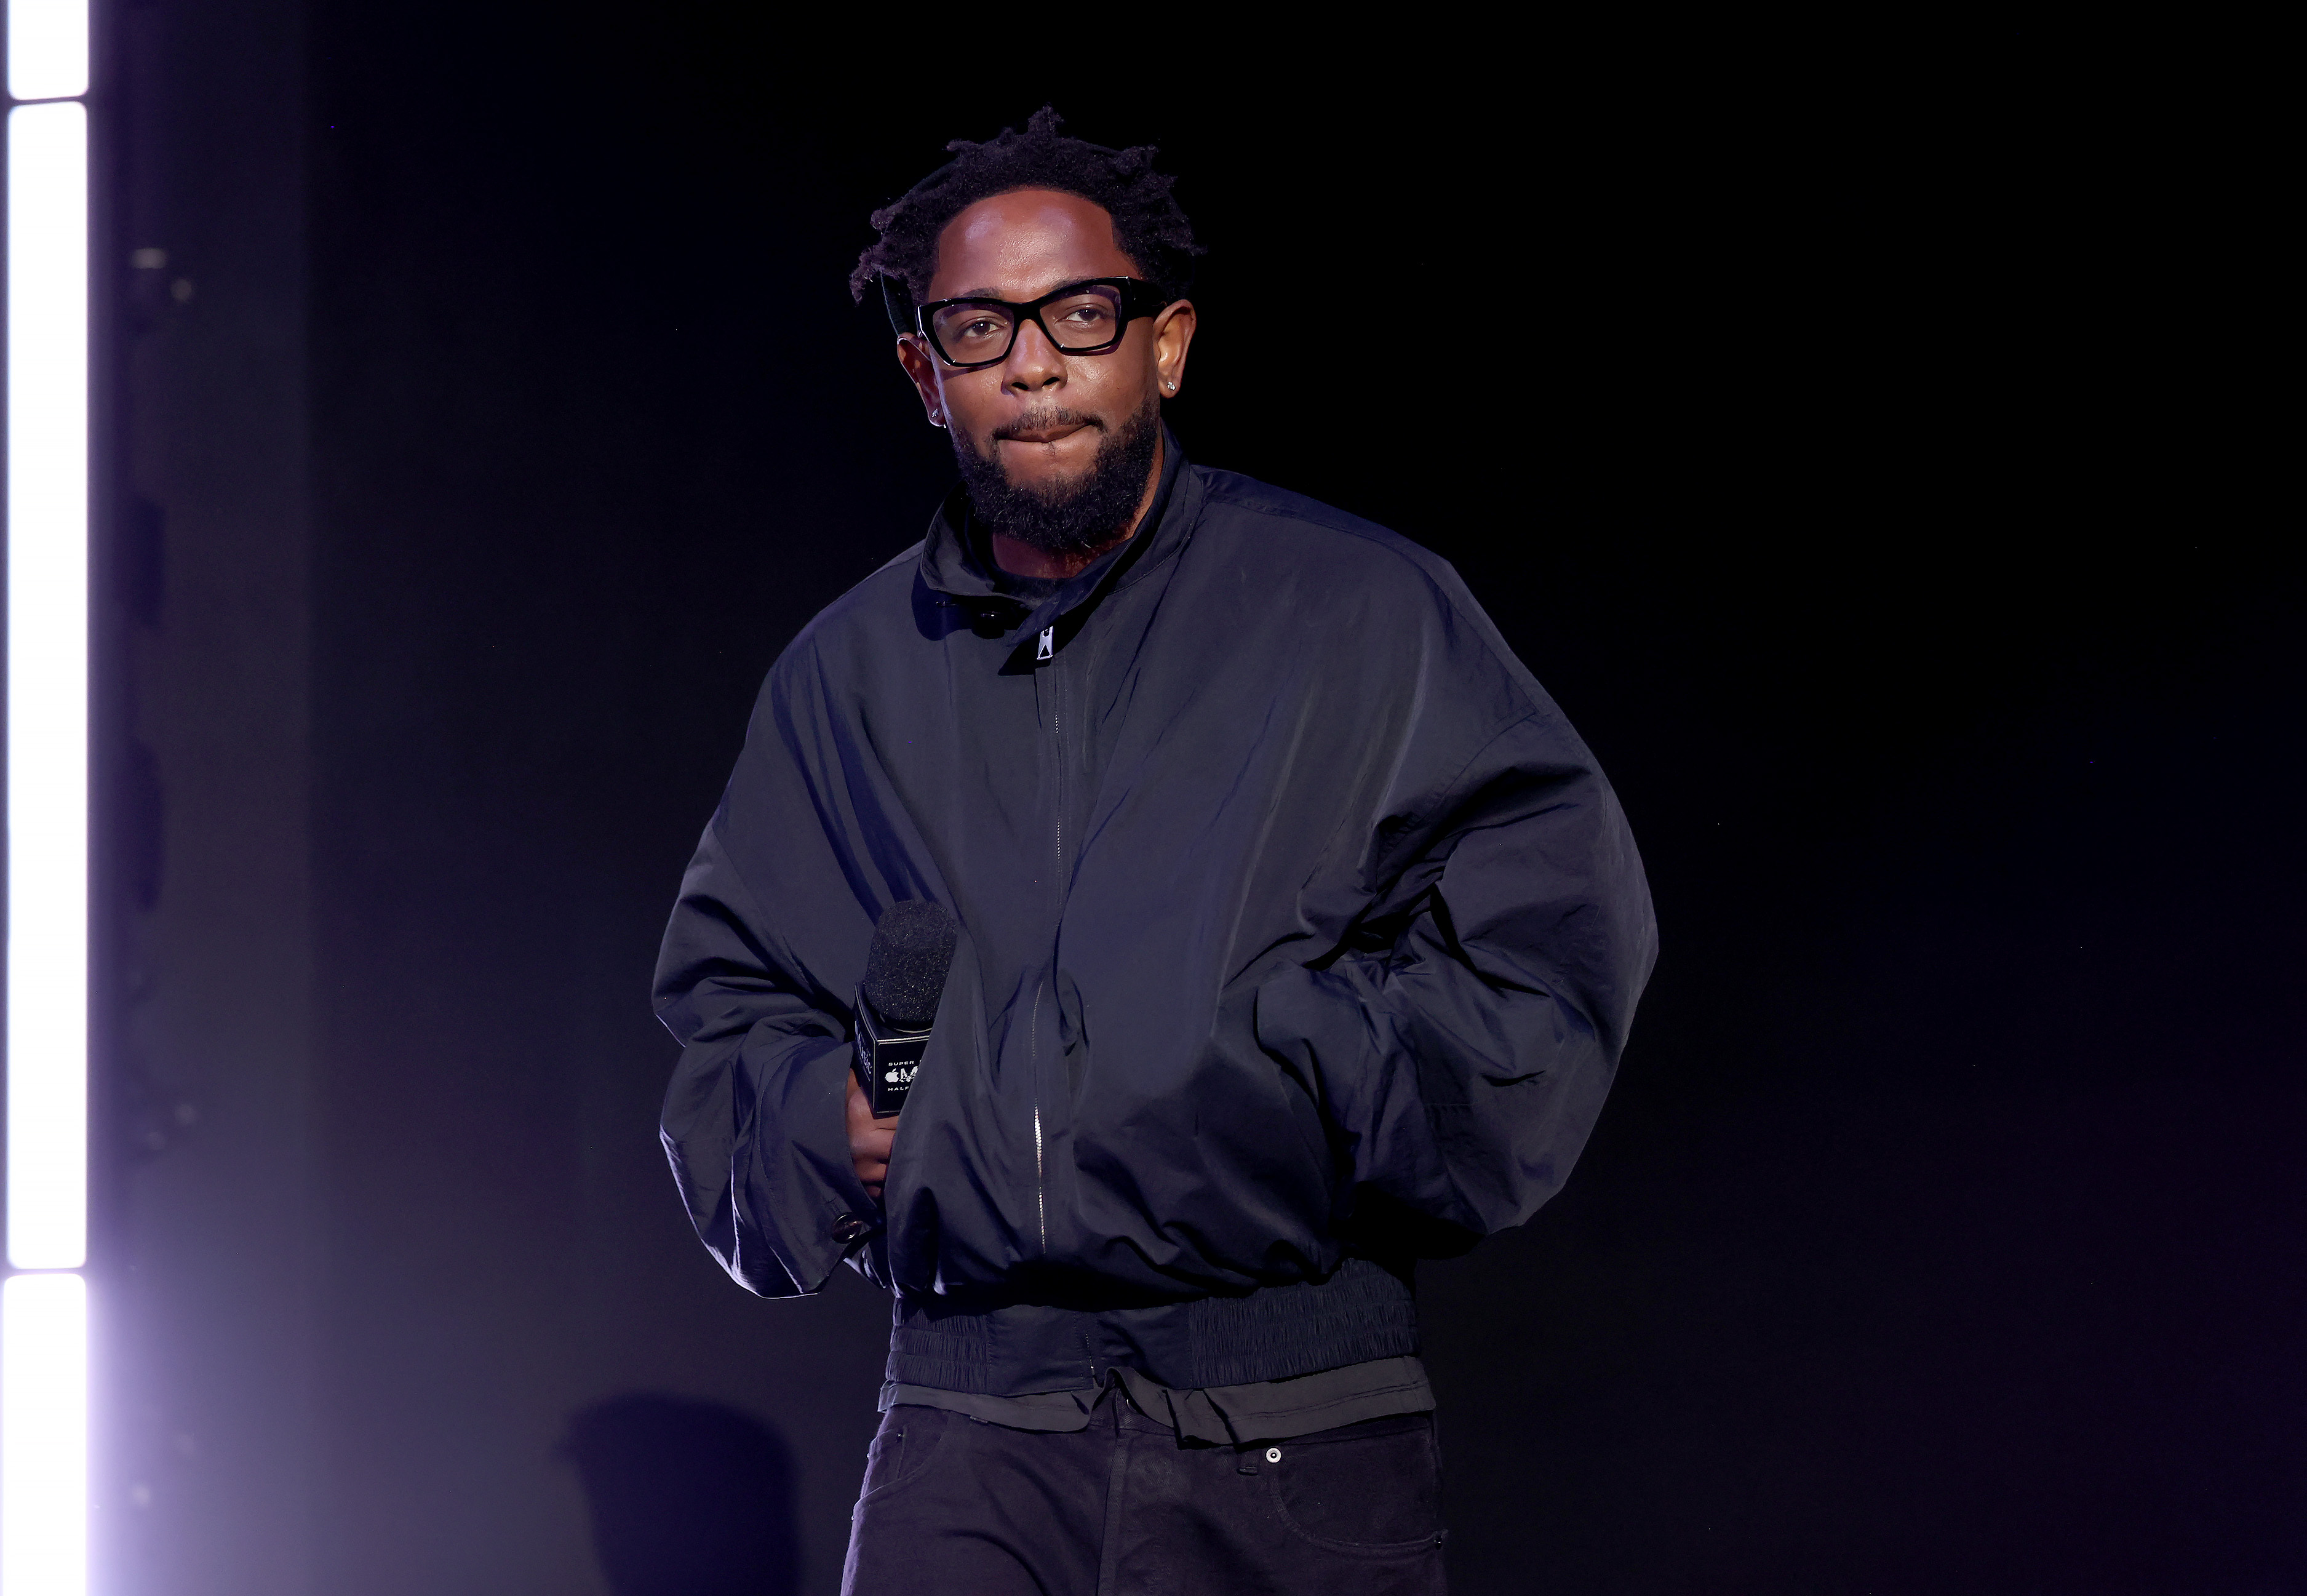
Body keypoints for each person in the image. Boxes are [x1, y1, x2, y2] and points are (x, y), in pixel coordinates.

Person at [653, 108, 1657, 1595]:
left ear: (1165, 343)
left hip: (1294, 1424)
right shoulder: (846, 676)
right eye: (982, 328)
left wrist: (1284, 1067)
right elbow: (726, 1026)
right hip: (969, 1425)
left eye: (1081, 313)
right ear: (928, 374)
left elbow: (1548, 958)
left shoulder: (1358, 616)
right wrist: (835, 1126)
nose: (1037, 361)